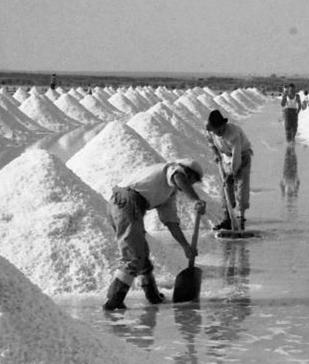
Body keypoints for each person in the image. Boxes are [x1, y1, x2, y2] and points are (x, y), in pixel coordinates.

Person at [104, 160, 207, 310]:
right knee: (133, 256)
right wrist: (195, 200)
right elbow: (179, 177)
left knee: (141, 253)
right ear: (188, 174)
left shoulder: (168, 193)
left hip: (123, 204)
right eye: (191, 181)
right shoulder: (173, 170)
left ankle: (153, 296)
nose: (188, 186)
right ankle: (113, 301)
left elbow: (171, 222)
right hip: (126, 202)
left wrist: (185, 246)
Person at [206, 109, 254, 232]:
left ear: (224, 125)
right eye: (216, 130)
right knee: (225, 189)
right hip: (226, 158)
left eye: (221, 129)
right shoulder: (211, 132)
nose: (219, 132)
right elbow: (211, 142)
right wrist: (216, 153)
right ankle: (228, 219)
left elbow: (236, 157)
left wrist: (232, 173)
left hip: (242, 157)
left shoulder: (233, 134)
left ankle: (241, 219)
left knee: (241, 188)